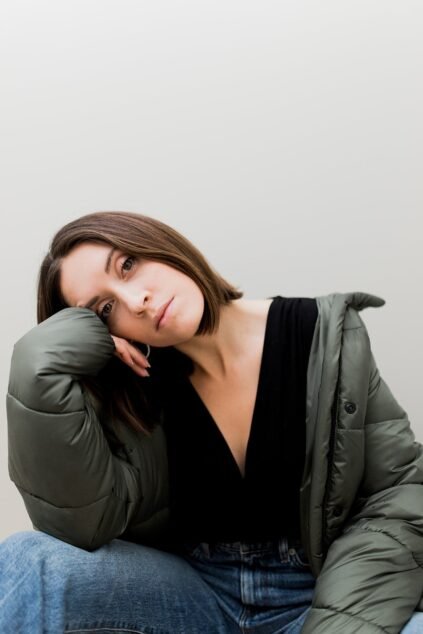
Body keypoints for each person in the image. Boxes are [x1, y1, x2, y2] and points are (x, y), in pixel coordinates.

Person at [2, 210, 423, 634]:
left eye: (127, 264)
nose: (136, 301)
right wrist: (41, 365)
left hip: (314, 593)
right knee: (27, 559)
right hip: (191, 595)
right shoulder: (127, 386)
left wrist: (339, 624)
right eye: (105, 309)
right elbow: (82, 524)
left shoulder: (321, 335)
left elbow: (398, 495)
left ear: (159, 242)